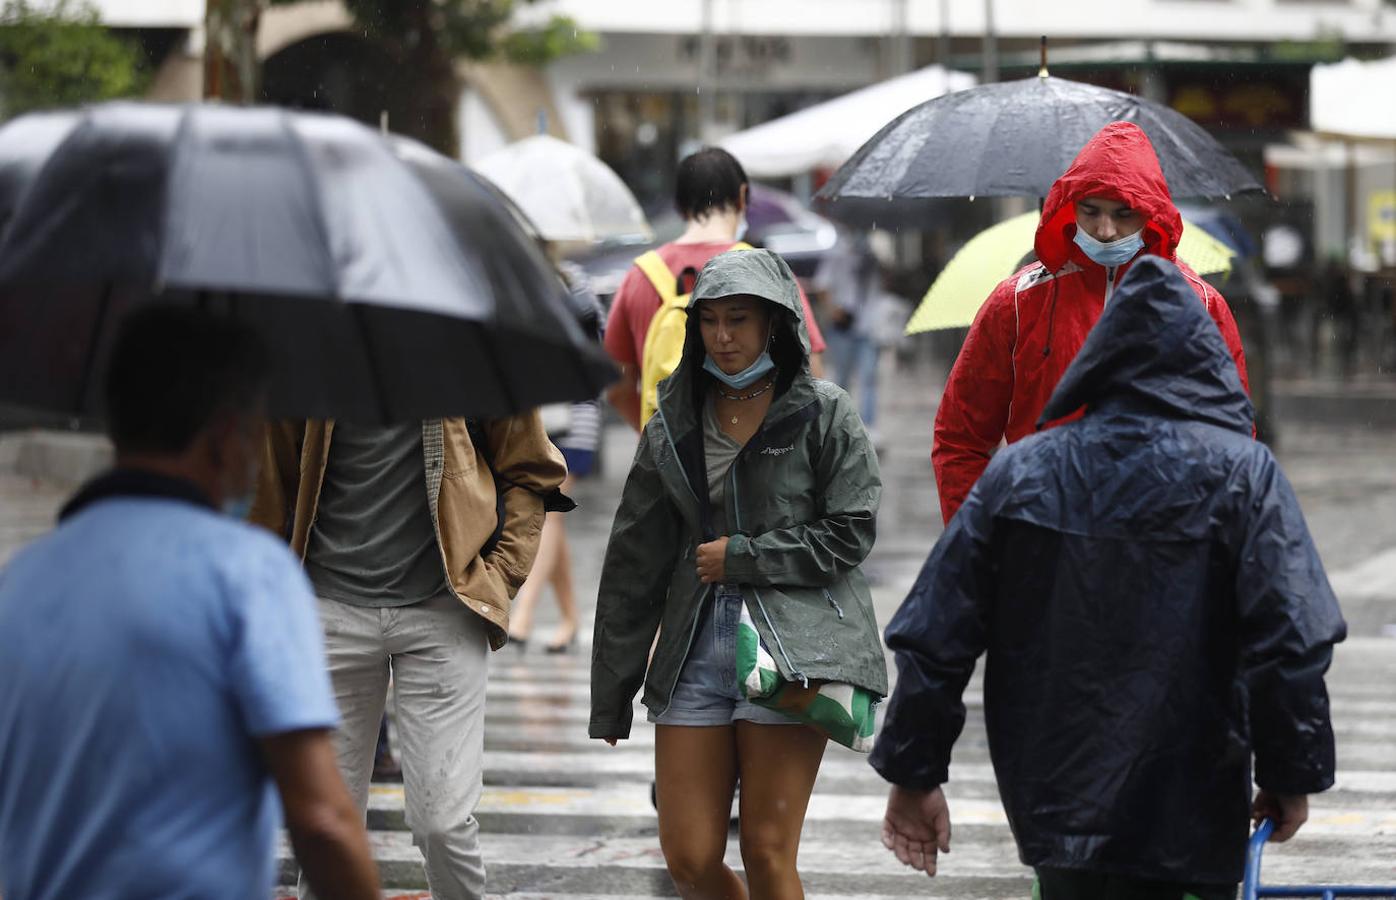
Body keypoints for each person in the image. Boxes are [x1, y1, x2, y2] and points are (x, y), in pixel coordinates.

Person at [872, 258, 1346, 899]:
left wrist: (914, 772)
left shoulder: (1020, 474)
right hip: (1198, 801)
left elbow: (937, 632)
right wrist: (1292, 773)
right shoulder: (1244, 476)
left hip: (1057, 800)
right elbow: (1293, 638)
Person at [0, 307, 380, 900]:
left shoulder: (19, 583)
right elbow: (323, 820)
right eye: (256, 432)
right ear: (226, 438)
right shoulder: (246, 572)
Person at [590, 249, 887, 899]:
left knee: (767, 849)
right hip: (693, 649)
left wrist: (747, 556)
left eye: (740, 321)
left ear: (775, 324)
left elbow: (852, 531)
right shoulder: (674, 418)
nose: (723, 337)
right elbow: (633, 561)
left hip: (790, 648)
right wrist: (612, 692)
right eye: (711, 322)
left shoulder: (824, 412)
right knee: (690, 857)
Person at [251, 394, 567, 896]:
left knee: (443, 822)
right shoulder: (313, 351)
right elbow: (270, 480)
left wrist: (499, 577)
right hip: (327, 608)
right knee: (326, 825)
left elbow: (531, 470)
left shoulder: (468, 345)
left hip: (445, 606)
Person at [933, 121, 1250, 525]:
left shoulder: (1199, 306)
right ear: (1069, 207)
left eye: (1124, 214)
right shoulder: (1015, 302)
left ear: (1151, 215)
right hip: (1042, 539)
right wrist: (978, 539)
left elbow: (1231, 439)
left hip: (1156, 545)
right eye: (1091, 211)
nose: (1104, 230)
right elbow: (960, 437)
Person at [604, 146, 826, 431]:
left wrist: (658, 443)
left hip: (667, 470)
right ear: (743, 197)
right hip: (755, 464)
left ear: (680, 206)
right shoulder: (769, 273)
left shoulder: (640, 277)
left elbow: (617, 389)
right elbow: (812, 379)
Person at [509, 259, 604, 653]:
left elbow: (595, 341)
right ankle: (569, 618)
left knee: (547, 509)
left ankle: (524, 614)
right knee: (553, 516)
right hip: (536, 410)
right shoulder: (517, 272)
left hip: (573, 411)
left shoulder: (572, 279)